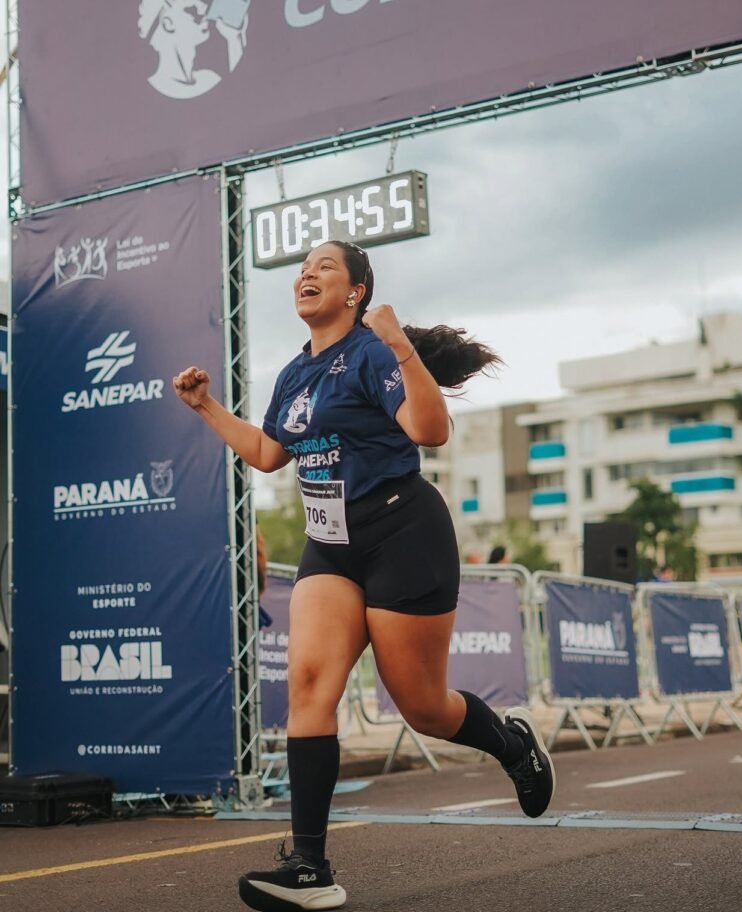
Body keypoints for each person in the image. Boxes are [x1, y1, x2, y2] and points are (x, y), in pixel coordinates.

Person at [173, 241, 556, 912]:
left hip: (401, 533)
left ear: (355, 292)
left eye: (323, 267)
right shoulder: (295, 374)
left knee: (423, 707)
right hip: (330, 544)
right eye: (301, 270)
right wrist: (206, 407)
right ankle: (310, 867)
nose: (306, 276)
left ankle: (510, 742)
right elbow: (267, 454)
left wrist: (398, 344)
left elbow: (430, 431)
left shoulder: (375, 352)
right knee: (309, 687)